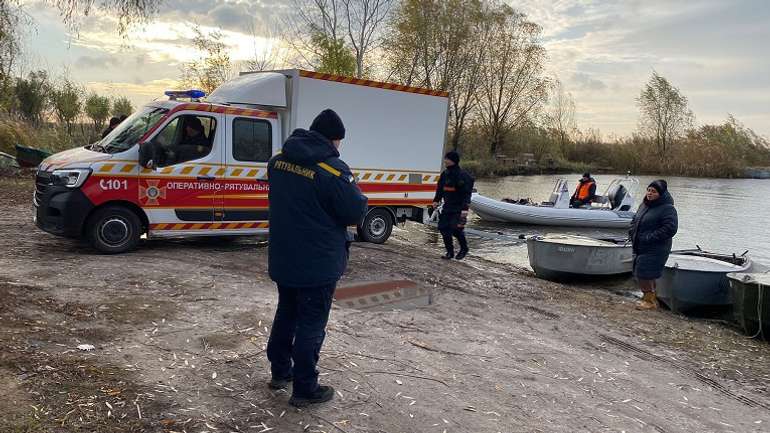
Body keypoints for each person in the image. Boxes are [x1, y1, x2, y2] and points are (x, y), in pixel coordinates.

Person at [265, 109, 368, 407]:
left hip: (284, 257)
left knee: (286, 314)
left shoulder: (278, 162)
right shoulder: (333, 170)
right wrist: (360, 197)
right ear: (334, 140)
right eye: (339, 142)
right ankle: (305, 389)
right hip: (318, 262)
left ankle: (280, 372)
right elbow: (352, 211)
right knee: (311, 323)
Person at [629, 179, 678, 310]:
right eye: (649, 190)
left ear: (661, 194)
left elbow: (670, 228)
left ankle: (649, 301)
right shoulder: (644, 205)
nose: (650, 193)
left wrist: (650, 237)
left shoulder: (668, 209)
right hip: (640, 246)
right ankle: (651, 298)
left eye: (654, 191)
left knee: (644, 273)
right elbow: (635, 220)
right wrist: (631, 232)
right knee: (643, 272)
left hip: (656, 248)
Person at [432, 151, 474, 260]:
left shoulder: (462, 176)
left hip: (459, 208)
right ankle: (450, 252)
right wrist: (436, 200)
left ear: (453, 160)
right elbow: (440, 189)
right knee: (443, 228)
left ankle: (464, 248)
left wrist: (465, 209)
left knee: (456, 229)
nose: (445, 160)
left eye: (447, 159)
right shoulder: (445, 174)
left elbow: (466, 193)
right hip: (448, 206)